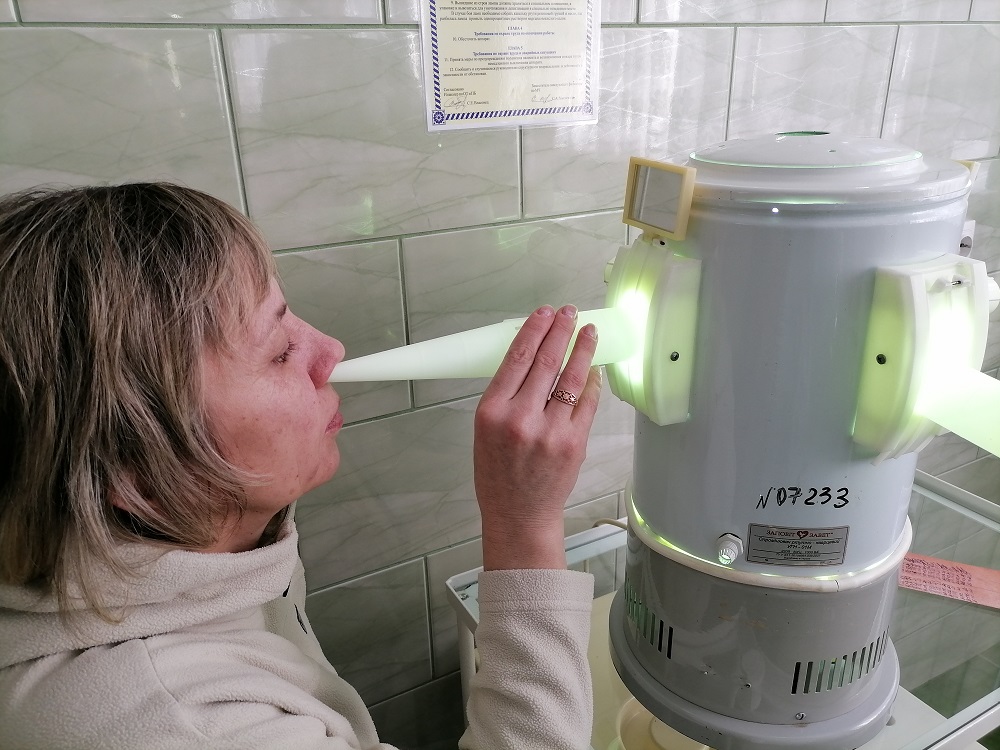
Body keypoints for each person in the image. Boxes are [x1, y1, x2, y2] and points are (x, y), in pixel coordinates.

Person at [0, 183, 603, 749]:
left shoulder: (204, 538)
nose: (330, 352)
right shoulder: (184, 728)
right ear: (142, 477)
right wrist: (524, 522)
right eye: (280, 350)